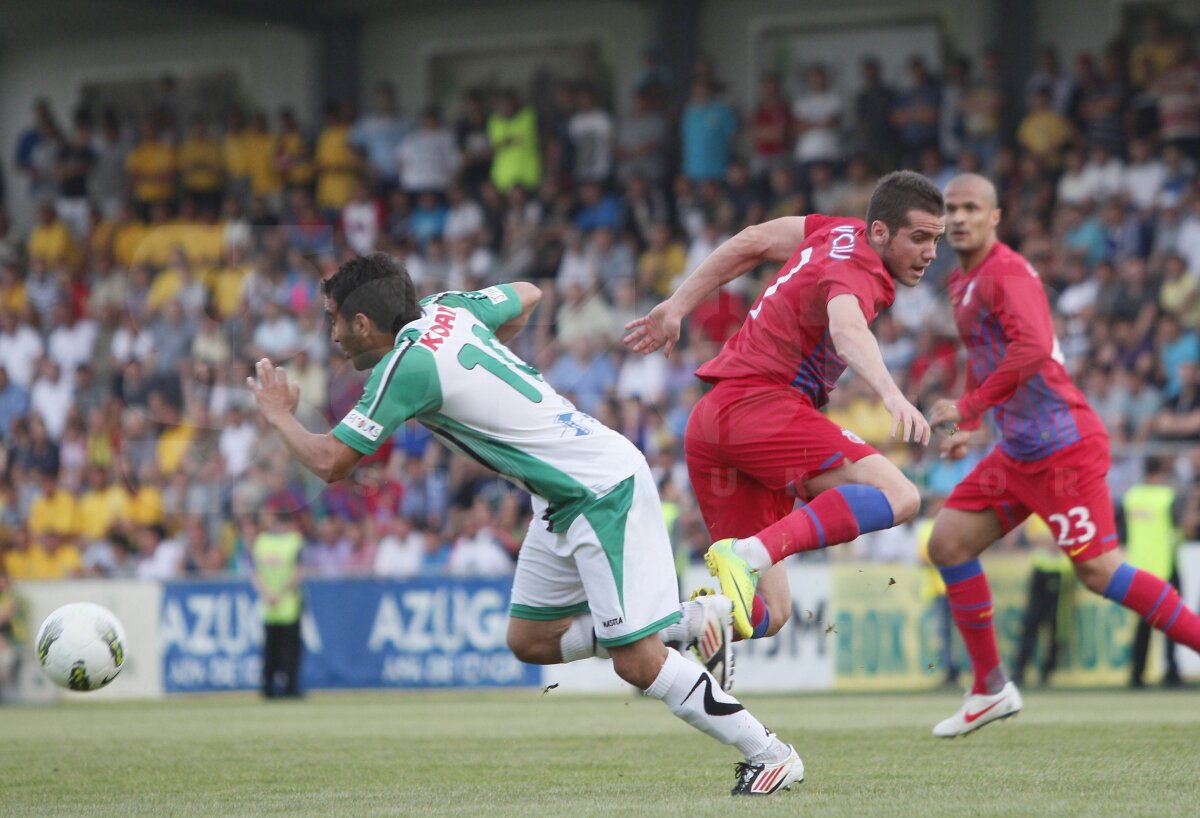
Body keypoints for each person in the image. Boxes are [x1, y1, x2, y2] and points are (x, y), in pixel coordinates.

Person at [248, 253, 803, 795]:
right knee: (532, 640)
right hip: (561, 496)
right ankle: (692, 618)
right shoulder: (449, 310)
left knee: (638, 663)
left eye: (335, 321)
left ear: (363, 322)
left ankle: (770, 754)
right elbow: (529, 295)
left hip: (597, 490)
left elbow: (330, 463)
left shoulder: (405, 364)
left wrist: (278, 416)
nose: (334, 335)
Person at [925, 174, 1200, 738]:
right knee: (948, 543)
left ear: (995, 218)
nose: (958, 218)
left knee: (1099, 572)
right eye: (950, 208)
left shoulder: (1007, 272)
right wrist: (969, 423)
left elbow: (1030, 345)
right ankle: (990, 686)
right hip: (1017, 451)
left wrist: (972, 405)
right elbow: (985, 356)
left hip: (1063, 448)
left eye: (971, 208)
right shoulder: (960, 282)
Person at [625, 170, 941, 641]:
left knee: (766, 612)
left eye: (935, 240)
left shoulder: (834, 230)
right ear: (880, 232)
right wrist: (892, 394)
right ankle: (751, 554)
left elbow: (754, 240)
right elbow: (848, 327)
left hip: (713, 421)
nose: (930, 253)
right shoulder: (861, 269)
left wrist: (676, 304)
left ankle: (644, 633)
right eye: (918, 238)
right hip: (760, 408)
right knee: (902, 496)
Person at [1119, 456, 1185, 688]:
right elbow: (1180, 527)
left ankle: (1136, 674)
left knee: (1142, 626)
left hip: (1139, 570)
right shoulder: (1167, 497)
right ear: (1162, 471)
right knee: (1173, 622)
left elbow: (1121, 532)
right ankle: (1171, 672)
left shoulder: (1131, 498)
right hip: (1165, 566)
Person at [1011, 515, 1073, 688]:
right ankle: (1020, 670)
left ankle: (1048, 671)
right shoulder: (1039, 513)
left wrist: (1050, 541)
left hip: (1061, 572)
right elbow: (1034, 537)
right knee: (1031, 623)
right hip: (1040, 570)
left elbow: (1062, 542)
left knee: (1056, 625)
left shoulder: (1066, 511)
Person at [251, 509, 305, 699]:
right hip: (288, 603)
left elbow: (255, 573)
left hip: (268, 605)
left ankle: (267, 688)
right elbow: (299, 572)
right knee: (290, 651)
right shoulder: (295, 541)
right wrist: (280, 594)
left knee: (270, 650)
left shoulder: (261, 542)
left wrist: (267, 594)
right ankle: (290, 688)